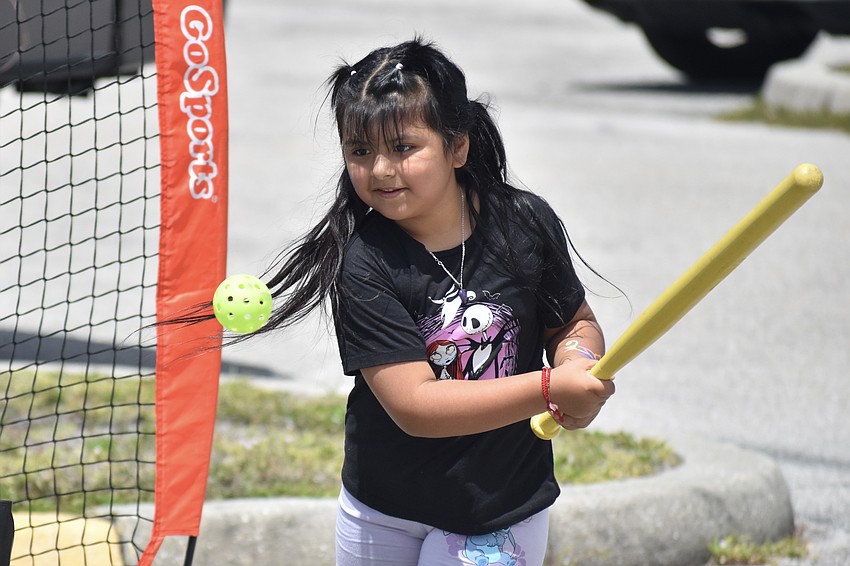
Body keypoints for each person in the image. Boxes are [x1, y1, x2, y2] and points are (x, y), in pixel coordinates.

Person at [236, 38, 614, 565]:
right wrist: (550, 388)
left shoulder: (524, 224)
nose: (381, 170)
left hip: (498, 507)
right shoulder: (363, 261)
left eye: (403, 148)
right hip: (381, 510)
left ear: (456, 146)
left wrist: (579, 361)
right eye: (360, 152)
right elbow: (415, 405)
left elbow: (572, 323)